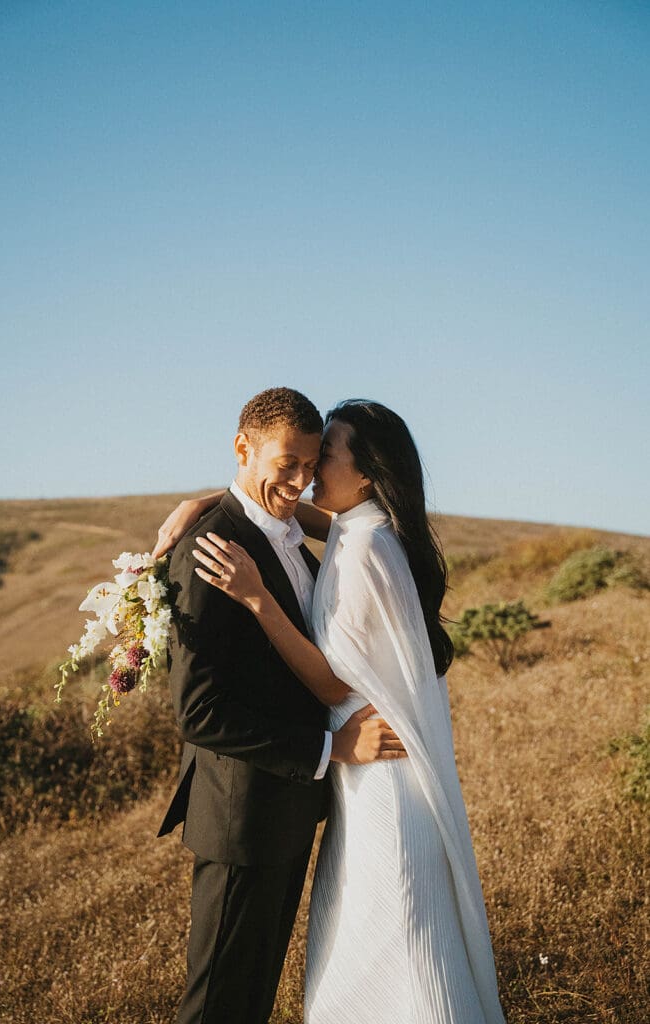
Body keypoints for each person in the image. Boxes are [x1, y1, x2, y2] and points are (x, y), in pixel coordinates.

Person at [157, 398, 506, 1024]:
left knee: (391, 949)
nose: (307, 480)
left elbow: (329, 683)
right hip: (287, 798)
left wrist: (260, 599)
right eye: (295, 463)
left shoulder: (364, 544)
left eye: (321, 462)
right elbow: (199, 709)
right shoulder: (358, 529)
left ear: (366, 471)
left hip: (367, 776)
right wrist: (208, 503)